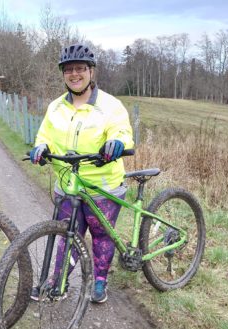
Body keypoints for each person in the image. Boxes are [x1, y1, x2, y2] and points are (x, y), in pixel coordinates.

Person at [30, 43, 134, 303]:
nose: (74, 74)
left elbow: (122, 131)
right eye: (69, 70)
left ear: (91, 72)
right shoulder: (55, 107)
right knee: (67, 236)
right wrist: (40, 147)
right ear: (63, 74)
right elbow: (45, 136)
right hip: (68, 186)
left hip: (103, 187)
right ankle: (58, 283)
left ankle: (100, 281)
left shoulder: (110, 106)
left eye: (80, 69)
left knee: (101, 235)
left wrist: (117, 143)